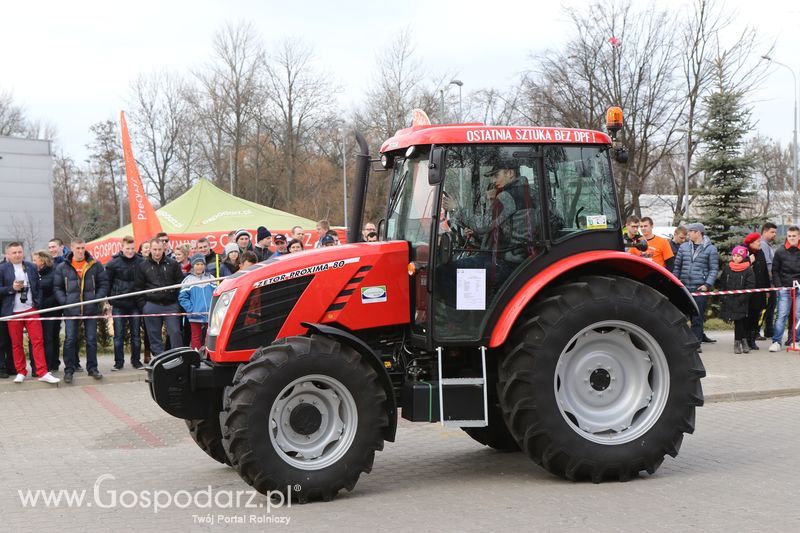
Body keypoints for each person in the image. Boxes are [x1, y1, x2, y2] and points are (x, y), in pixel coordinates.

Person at [0, 243, 60, 383]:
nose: (17, 255)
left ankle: (42, 372)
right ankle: (20, 371)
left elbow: (38, 287)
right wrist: (11, 288)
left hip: (31, 310)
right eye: (14, 252)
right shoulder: (2, 269)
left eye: (19, 252)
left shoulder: (31, 266)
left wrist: (37, 303)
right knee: (16, 343)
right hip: (13, 312)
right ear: (7, 254)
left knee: (38, 341)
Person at [53, 237, 108, 383]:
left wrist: (97, 299)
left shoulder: (95, 264)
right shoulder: (63, 266)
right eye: (78, 248)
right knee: (70, 340)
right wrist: (65, 303)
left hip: (90, 309)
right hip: (71, 310)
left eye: (83, 248)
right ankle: (69, 370)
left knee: (91, 339)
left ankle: (93, 368)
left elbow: (103, 283)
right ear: (71, 248)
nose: (80, 251)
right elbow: (57, 287)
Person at [135, 237, 184, 356]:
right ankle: (159, 358)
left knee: (175, 332)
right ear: (150, 249)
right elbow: (138, 287)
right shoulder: (142, 266)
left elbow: (181, 283)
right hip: (151, 305)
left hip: (171, 305)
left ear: (164, 249)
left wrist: (178, 303)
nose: (157, 252)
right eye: (154, 249)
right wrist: (143, 306)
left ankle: (178, 357)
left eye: (159, 249)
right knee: (153, 334)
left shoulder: (173, 264)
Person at [673, 222, 719, 348]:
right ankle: (680, 342)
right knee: (681, 316)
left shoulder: (710, 249)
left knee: (697, 318)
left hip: (699, 288)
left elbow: (713, 269)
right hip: (684, 287)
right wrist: (675, 282)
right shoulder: (683, 247)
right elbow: (677, 267)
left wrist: (707, 285)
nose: (688, 234)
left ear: (698, 233)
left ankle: (696, 345)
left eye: (691, 231)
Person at [105, 236, 144, 371]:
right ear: (122, 248)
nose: (130, 251)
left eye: (133, 248)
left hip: (135, 304)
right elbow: (107, 283)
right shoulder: (112, 264)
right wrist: (110, 300)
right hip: (119, 304)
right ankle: (118, 362)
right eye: (128, 248)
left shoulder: (141, 261)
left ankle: (136, 361)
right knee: (118, 335)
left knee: (136, 335)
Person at [769, 226, 800, 352]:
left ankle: (797, 341)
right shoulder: (780, 251)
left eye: (794, 236)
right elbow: (775, 270)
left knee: (798, 315)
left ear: (799, 237)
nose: (792, 238)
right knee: (781, 315)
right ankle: (776, 341)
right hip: (784, 288)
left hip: (799, 288)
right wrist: (779, 286)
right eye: (789, 236)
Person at [719, 245, 755, 354]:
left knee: (740, 321)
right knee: (738, 321)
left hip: (741, 301)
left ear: (743, 257)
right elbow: (722, 283)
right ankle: (742, 341)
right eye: (734, 255)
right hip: (729, 300)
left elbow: (750, 286)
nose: (735, 258)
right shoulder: (728, 268)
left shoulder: (748, 270)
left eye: (738, 256)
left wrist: (741, 299)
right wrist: (724, 297)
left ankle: (738, 342)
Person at [32, 250, 61, 372]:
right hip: (35, 311)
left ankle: (50, 365)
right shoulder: (33, 273)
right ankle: (35, 367)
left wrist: (43, 305)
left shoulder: (54, 273)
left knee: (49, 337)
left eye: (35, 260)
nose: (33, 262)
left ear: (43, 261)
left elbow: (56, 292)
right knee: (36, 339)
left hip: (50, 311)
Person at [178, 255, 215, 349]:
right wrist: (191, 309)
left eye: (202, 264)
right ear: (193, 266)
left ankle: (208, 353)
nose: (200, 266)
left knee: (209, 335)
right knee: (196, 336)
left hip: (209, 313)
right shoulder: (188, 280)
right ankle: (197, 354)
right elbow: (182, 297)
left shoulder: (210, 277)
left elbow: (216, 293)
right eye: (197, 264)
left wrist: (214, 307)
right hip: (195, 314)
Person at [744, 232, 769, 351]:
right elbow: (737, 267)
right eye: (758, 241)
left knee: (756, 314)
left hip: (760, 290)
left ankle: (752, 339)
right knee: (747, 315)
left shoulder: (761, 252)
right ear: (751, 243)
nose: (760, 243)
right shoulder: (745, 252)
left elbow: (764, 272)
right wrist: (749, 261)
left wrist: (768, 289)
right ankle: (744, 339)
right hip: (748, 291)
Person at [759, 222, 778, 340]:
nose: (774, 234)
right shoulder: (763, 245)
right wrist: (771, 280)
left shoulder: (767, 245)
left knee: (771, 306)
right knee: (766, 307)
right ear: (765, 231)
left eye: (775, 232)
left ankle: (769, 330)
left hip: (770, 283)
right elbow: (767, 264)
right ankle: (757, 331)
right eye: (772, 232)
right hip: (768, 282)